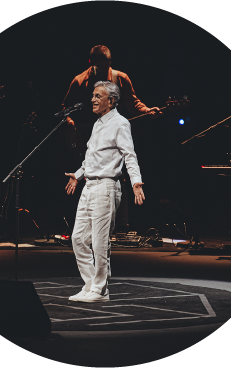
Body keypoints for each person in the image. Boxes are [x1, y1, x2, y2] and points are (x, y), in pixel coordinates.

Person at [62, 45, 161, 229]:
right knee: (86, 175)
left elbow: (133, 102)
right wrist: (70, 124)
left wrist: (147, 111)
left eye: (107, 65)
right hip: (85, 136)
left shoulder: (120, 78)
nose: (104, 70)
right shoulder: (79, 80)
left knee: (116, 175)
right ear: (91, 63)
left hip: (110, 134)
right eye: (100, 66)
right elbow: (66, 108)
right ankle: (80, 223)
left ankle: (119, 225)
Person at [64, 81, 145, 303]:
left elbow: (130, 155)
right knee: (78, 239)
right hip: (89, 186)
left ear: (112, 100)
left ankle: (100, 290)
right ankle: (91, 285)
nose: (93, 99)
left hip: (107, 186)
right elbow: (91, 158)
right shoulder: (98, 123)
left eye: (98, 96)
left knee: (100, 242)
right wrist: (78, 174)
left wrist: (136, 182)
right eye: (93, 95)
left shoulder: (120, 123)